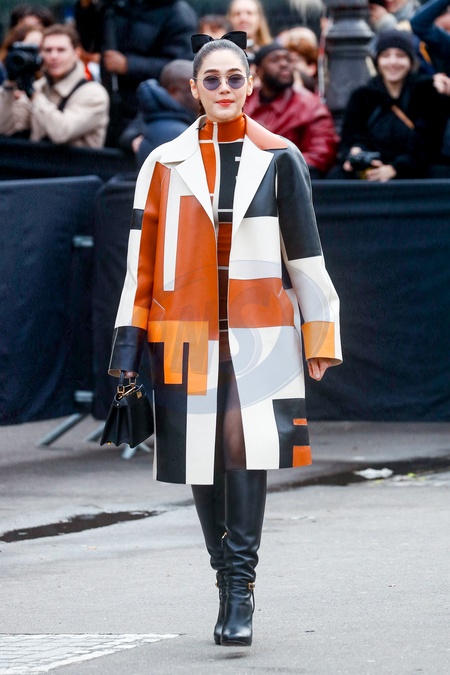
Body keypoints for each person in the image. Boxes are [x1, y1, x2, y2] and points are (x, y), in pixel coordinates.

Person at [107, 32, 342, 647]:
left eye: (234, 78)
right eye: (211, 79)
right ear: (193, 88)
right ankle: (224, 578)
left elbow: (306, 254)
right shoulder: (163, 163)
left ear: (250, 84)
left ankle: (240, 587)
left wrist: (320, 332)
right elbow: (140, 265)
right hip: (183, 330)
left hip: (263, 330)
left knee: (245, 448)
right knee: (200, 460)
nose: (224, 89)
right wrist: (127, 347)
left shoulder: (281, 156)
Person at [74, 0, 198, 144]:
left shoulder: (178, 13)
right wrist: (86, 8)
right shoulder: (117, 6)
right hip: (110, 102)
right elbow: (90, 44)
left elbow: (181, 67)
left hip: (148, 109)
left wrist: (129, 65)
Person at [331, 30, 448, 180]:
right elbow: (352, 135)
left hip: (416, 169)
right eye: (386, 56)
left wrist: (396, 169)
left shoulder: (427, 92)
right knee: (336, 176)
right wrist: (356, 152)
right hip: (373, 167)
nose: (393, 62)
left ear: (411, 61)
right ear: (377, 61)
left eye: (400, 56)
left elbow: (428, 142)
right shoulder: (362, 96)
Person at [0, 24, 110, 148]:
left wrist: (34, 95)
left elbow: (61, 132)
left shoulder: (94, 93)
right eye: (48, 50)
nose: (53, 56)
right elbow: (5, 128)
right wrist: (9, 85)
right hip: (37, 160)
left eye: (61, 50)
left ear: (77, 53)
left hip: (78, 161)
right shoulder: (39, 87)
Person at [244, 42, 338, 178]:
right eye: (274, 60)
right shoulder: (244, 100)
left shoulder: (310, 106)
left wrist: (274, 166)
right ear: (258, 70)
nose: (284, 64)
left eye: (288, 59)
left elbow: (320, 155)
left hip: (290, 179)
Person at [119, 59, 199, 168]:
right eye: (192, 89)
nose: (199, 95)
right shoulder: (153, 114)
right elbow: (127, 136)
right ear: (173, 91)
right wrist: (135, 140)